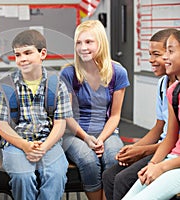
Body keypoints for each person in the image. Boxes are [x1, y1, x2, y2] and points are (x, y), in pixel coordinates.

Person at [0, 29, 73, 200]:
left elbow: (60, 124)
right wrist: (25, 146)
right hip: (15, 143)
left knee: (55, 175)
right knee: (23, 177)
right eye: (18, 54)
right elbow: (2, 126)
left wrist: (44, 146)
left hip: (49, 142)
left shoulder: (57, 85)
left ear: (42, 54)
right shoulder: (6, 86)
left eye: (28, 52)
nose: (22, 59)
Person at [102, 28, 178, 200]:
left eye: (156, 54)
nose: (151, 60)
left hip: (169, 152)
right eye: (149, 54)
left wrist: (143, 152)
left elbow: (172, 142)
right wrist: (134, 149)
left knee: (122, 180)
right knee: (109, 176)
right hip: (163, 147)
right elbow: (160, 127)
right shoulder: (164, 85)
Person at [60, 20, 130, 200]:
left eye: (89, 42)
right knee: (88, 160)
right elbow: (66, 116)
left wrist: (100, 139)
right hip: (74, 134)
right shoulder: (68, 74)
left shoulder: (118, 72)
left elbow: (115, 116)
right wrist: (87, 138)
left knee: (114, 158)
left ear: (101, 42)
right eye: (79, 42)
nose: (83, 47)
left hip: (106, 132)